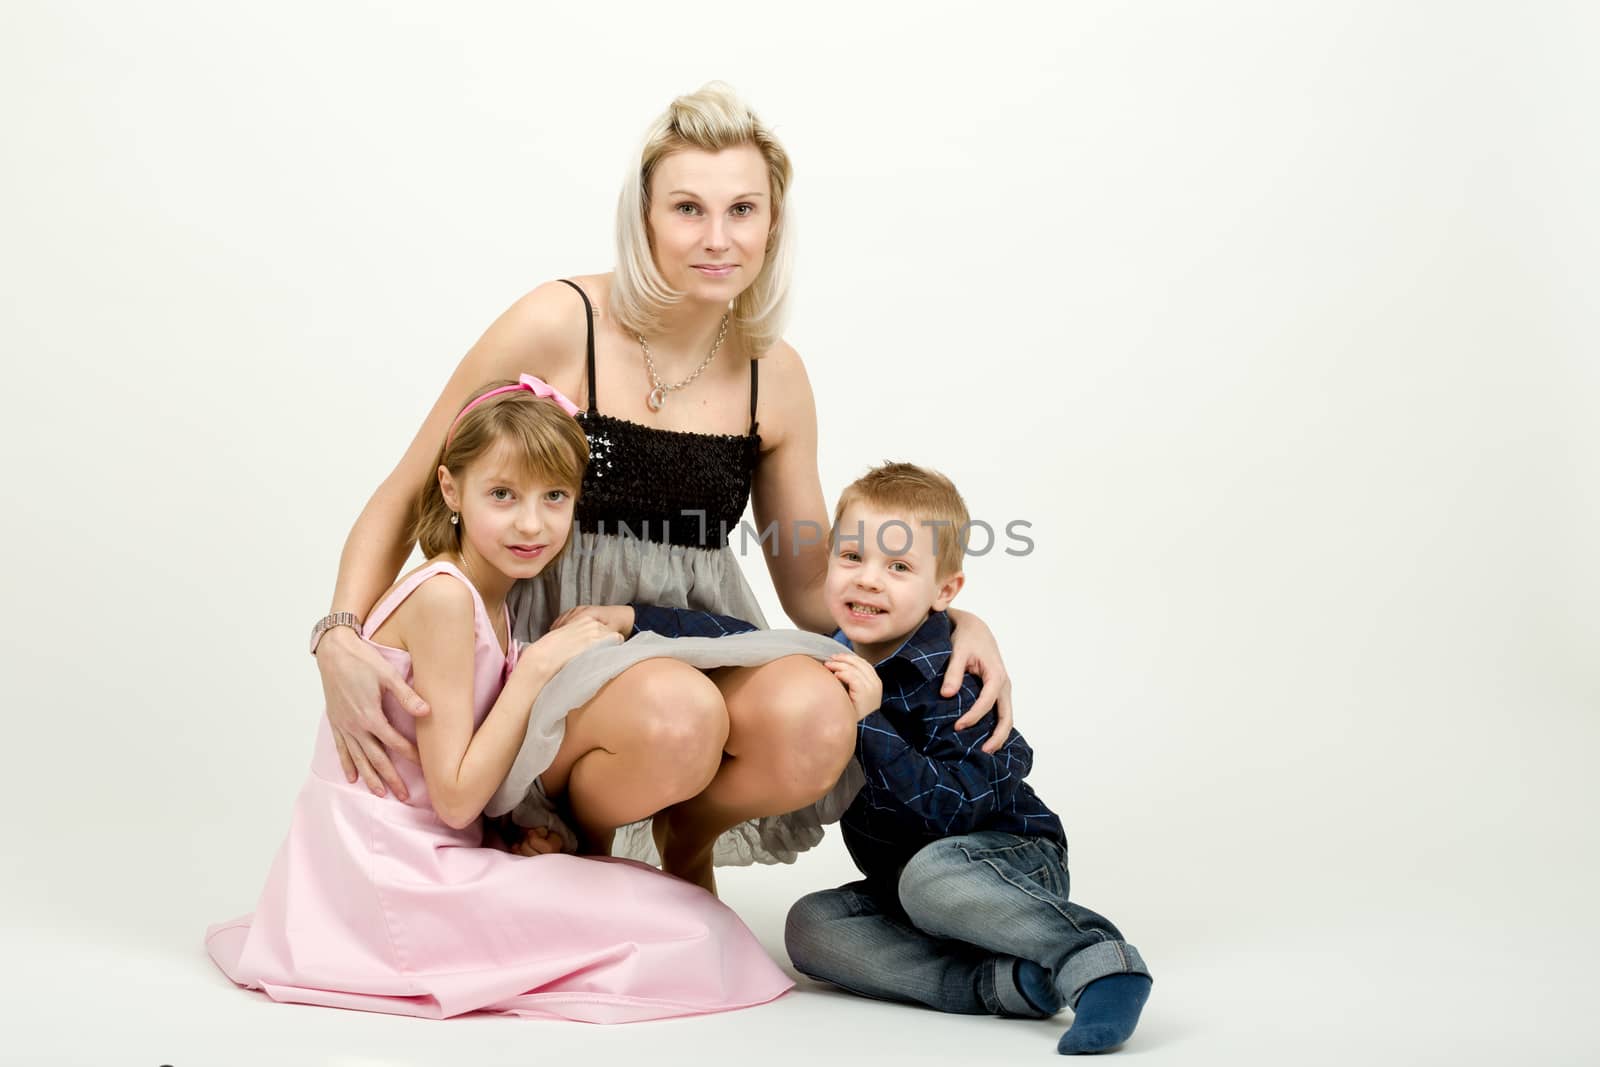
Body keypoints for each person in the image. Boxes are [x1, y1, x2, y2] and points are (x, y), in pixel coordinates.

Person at [308, 83, 1018, 894]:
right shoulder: (559, 321)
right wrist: (338, 634)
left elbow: (812, 588)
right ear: (644, 216)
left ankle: (693, 832)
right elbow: (408, 489)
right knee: (679, 711)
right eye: (688, 209)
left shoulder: (774, 376)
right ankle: (578, 840)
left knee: (821, 714)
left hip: (702, 639)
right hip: (566, 646)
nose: (718, 238)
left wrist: (952, 618)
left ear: (772, 222)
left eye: (743, 211)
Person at [206, 378, 793, 1021]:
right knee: (691, 930)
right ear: (451, 490)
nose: (531, 523)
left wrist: (512, 834)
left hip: (421, 858)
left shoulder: (491, 595)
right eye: (502, 496)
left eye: (554, 498)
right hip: (394, 878)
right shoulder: (445, 598)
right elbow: (454, 795)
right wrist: (536, 667)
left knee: (682, 917)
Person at [778, 463, 1155, 1055]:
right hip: (909, 887)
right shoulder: (828, 659)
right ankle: (1005, 984)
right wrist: (634, 621)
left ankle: (1094, 958)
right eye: (852, 557)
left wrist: (870, 724)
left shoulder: (955, 678)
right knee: (811, 927)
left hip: (1006, 860)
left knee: (933, 877)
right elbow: (733, 636)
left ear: (945, 591)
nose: (869, 581)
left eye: (899, 567)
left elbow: (950, 814)